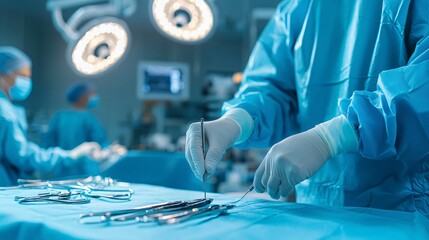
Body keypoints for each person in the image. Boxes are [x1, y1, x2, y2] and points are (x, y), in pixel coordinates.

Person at [185, 0, 429, 217]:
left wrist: (334, 136)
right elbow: (273, 88)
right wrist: (237, 120)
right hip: (318, 208)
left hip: (406, 211)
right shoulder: (297, 7)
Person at [0, 46, 101, 186]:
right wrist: (71, 155)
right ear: (3, 74)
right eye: (23, 76)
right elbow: (23, 155)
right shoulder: (4, 112)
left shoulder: (8, 110)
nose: (27, 81)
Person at [44, 82, 108, 150]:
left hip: (61, 160)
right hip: (83, 160)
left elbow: (47, 144)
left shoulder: (59, 116)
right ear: (82, 96)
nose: (95, 97)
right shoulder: (89, 119)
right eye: (91, 94)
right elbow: (99, 144)